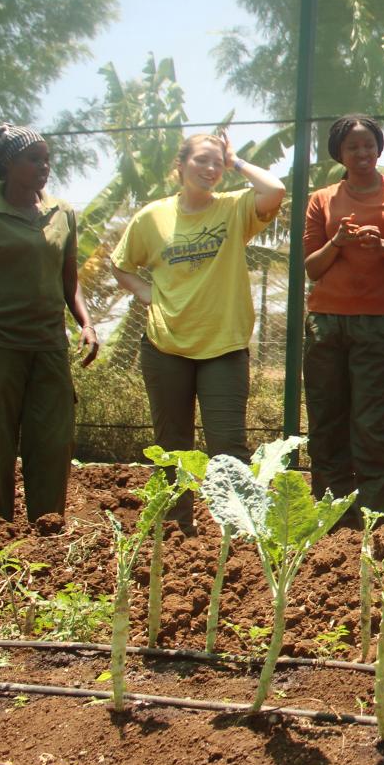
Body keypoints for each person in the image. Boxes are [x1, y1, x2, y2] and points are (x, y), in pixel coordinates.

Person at [109, 132, 285, 531]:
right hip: (165, 346)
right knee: (173, 448)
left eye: (217, 163)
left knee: (229, 450)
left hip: (223, 347)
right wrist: (146, 294)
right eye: (201, 161)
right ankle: (174, 532)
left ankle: (240, 534)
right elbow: (120, 265)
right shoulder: (152, 217)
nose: (210, 169)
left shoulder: (234, 208)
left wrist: (236, 159)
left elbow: (274, 189)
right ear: (180, 165)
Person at [0, 124, 98, 524]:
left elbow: (69, 281)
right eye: (34, 158)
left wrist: (86, 323)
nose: (44, 165)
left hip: (48, 346)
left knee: (53, 440)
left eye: (47, 158)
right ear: (8, 164)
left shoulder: (61, 213)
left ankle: (47, 530)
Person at [303, 115, 384, 527]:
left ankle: (379, 512)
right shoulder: (322, 199)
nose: (362, 153)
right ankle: (330, 510)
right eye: (353, 147)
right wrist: (337, 241)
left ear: (379, 149)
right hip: (325, 323)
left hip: (378, 322)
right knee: (326, 417)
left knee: (372, 420)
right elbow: (311, 268)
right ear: (339, 153)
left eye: (369, 145)